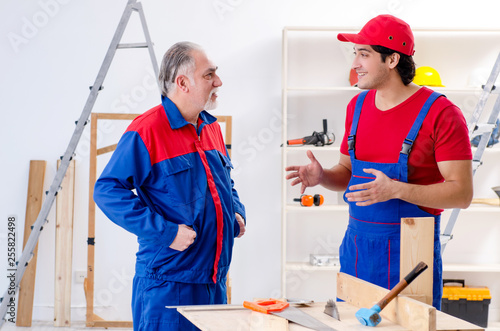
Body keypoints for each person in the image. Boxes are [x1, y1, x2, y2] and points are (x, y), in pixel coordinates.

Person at [285, 15, 473, 309]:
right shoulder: (356, 107)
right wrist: (323, 176)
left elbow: (462, 194)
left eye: (364, 54)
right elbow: (347, 173)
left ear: (392, 59)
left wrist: (397, 190)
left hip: (411, 252)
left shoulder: (441, 113)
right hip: (357, 248)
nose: (354, 63)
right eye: (355, 53)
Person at [94, 41, 246, 331]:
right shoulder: (147, 131)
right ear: (183, 82)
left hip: (214, 280)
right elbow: (107, 190)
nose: (218, 81)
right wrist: (166, 232)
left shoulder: (210, 126)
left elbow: (225, 181)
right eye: (209, 75)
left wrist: (235, 212)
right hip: (169, 285)